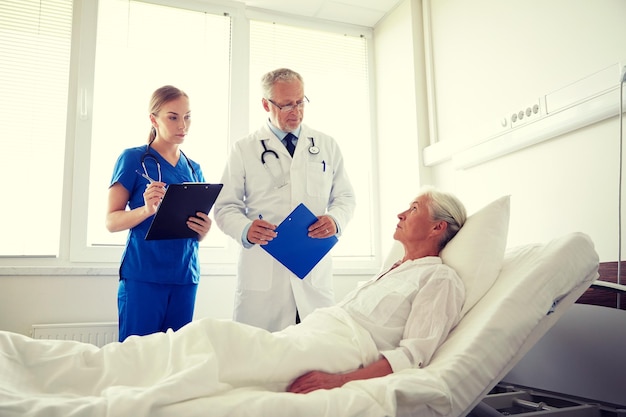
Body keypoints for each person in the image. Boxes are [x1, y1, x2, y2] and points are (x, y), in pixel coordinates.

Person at [0, 187, 467, 412]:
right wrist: (244, 228)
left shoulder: (440, 280)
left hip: (341, 348)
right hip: (318, 330)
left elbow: (412, 355)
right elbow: (226, 210)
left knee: (213, 340)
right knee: (206, 337)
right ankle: (71, 372)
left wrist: (338, 381)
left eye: (414, 210)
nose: (402, 212)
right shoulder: (395, 269)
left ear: (438, 227)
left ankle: (97, 393)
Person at [214, 68, 357, 332]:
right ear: (266, 104)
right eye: (287, 104)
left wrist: (335, 220)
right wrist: (245, 228)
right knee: (261, 360)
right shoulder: (245, 149)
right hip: (264, 273)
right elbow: (225, 207)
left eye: (301, 101)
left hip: (312, 273)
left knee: (315, 352)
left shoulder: (326, 145)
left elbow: (345, 196)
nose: (297, 111)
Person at [105, 85, 212, 342]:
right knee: (137, 359)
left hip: (185, 276)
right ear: (154, 119)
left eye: (187, 116)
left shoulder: (194, 169)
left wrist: (204, 230)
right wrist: (146, 209)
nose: (182, 124)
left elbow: (192, 232)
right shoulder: (133, 159)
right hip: (144, 276)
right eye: (172, 117)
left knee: (175, 360)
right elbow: (111, 221)